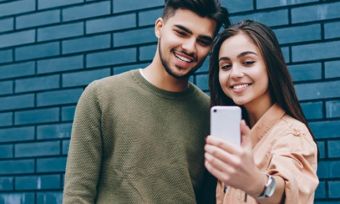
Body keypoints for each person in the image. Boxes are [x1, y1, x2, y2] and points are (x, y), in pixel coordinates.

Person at [63, 0, 229, 203]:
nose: (189, 47)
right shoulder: (101, 96)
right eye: (181, 33)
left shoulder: (209, 113)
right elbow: (77, 195)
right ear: (159, 27)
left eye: (203, 41)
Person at [205, 20, 319, 204]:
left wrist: (256, 183)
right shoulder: (234, 137)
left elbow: (288, 191)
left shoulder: (292, 135)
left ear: (271, 65)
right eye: (226, 66)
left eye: (248, 62)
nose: (234, 73)